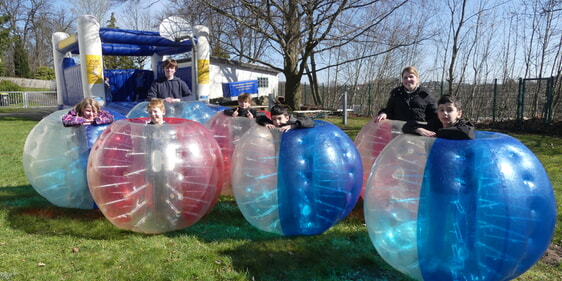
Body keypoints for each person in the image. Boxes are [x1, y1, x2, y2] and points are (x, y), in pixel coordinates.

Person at [402, 94, 475, 140]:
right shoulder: (434, 125)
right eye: (441, 110)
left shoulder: (463, 125)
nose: (445, 113)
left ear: (459, 114)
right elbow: (406, 126)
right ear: (437, 113)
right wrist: (418, 129)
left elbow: (467, 133)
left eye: (449, 110)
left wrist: (438, 133)